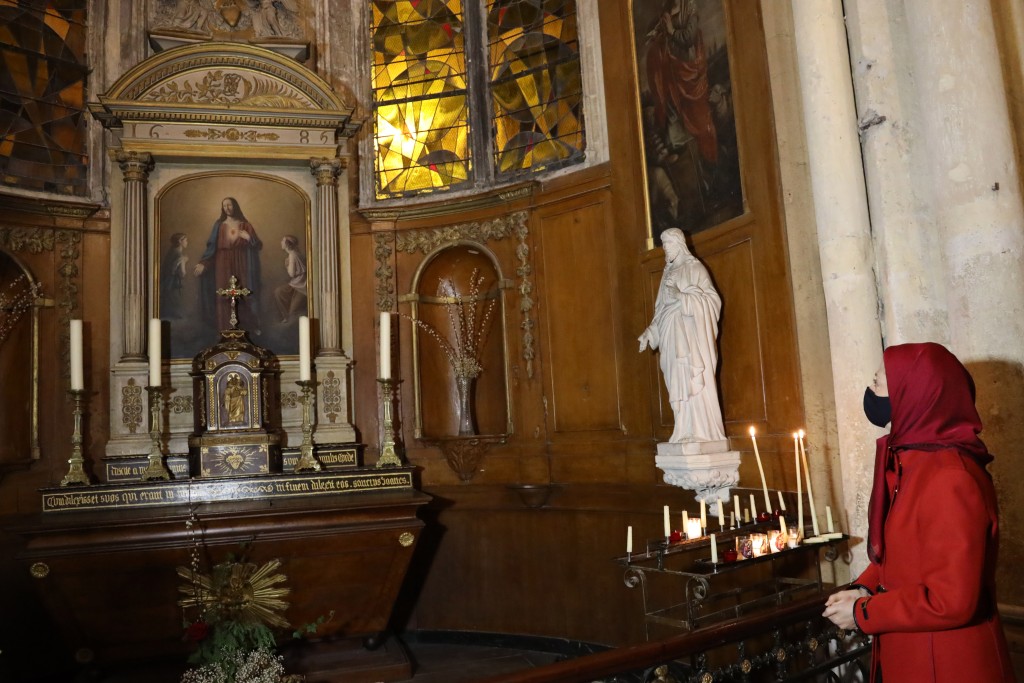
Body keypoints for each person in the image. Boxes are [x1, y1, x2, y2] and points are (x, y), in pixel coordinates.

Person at [823, 343, 1015, 682]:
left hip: (947, 664)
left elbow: (952, 600)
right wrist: (865, 587)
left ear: (915, 394)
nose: (871, 388)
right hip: (912, 657)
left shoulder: (951, 478)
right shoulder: (913, 462)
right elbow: (902, 554)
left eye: (879, 381)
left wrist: (863, 613)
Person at [638, 228, 726, 443]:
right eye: (663, 244)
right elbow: (662, 309)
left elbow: (712, 301)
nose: (665, 248)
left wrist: (682, 297)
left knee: (690, 378)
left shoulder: (694, 267)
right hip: (669, 333)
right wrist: (649, 333)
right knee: (675, 379)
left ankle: (700, 431)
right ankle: (683, 428)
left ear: (679, 244)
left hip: (689, 336)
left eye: (668, 243)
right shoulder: (666, 273)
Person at [194, 197, 263, 334]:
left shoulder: (245, 225)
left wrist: (249, 239)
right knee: (223, 295)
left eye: (229, 205)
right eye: (224, 206)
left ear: (235, 206)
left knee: (244, 293)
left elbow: (258, 245)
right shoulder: (219, 225)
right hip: (222, 263)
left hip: (242, 262)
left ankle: (246, 329)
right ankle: (224, 330)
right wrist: (204, 263)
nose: (227, 208)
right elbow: (211, 247)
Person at [274, 235, 307, 324]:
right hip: (295, 284)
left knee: (294, 311)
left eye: (283, 241)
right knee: (279, 292)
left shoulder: (292, 255)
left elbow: (291, 274)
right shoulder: (294, 254)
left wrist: (288, 265)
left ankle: (288, 317)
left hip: (302, 287)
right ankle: (286, 316)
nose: (281, 242)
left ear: (287, 244)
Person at [159, 233, 189, 319]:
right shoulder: (179, 254)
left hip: (167, 283)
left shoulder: (172, 251)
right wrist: (184, 261)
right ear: (180, 241)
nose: (187, 242)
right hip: (172, 284)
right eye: (185, 240)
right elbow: (182, 273)